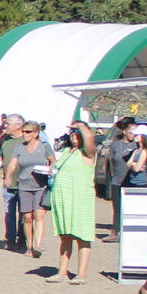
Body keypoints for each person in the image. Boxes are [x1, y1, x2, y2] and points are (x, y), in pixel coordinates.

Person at [46, 121, 98, 283]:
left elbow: (90, 141)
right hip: (64, 199)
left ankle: (81, 274)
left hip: (80, 199)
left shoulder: (87, 154)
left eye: (77, 134)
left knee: (82, 236)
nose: (74, 136)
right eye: (72, 134)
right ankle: (62, 271)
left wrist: (82, 127)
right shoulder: (68, 151)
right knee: (65, 236)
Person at [8, 120, 53, 258]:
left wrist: (51, 168)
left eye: (28, 132)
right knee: (27, 217)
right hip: (24, 185)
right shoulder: (19, 148)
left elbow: (53, 160)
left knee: (38, 215)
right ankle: (30, 246)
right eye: (24, 131)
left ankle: (38, 245)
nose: (25, 134)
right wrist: (8, 176)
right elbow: (13, 163)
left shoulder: (44, 146)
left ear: (36, 133)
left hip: (41, 185)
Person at [0, 114, 26, 248]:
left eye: (8, 124)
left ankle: (23, 239)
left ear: (18, 125)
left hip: (25, 183)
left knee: (24, 214)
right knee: (9, 214)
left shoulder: (27, 140)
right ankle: (10, 239)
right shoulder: (6, 141)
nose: (5, 126)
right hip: (8, 184)